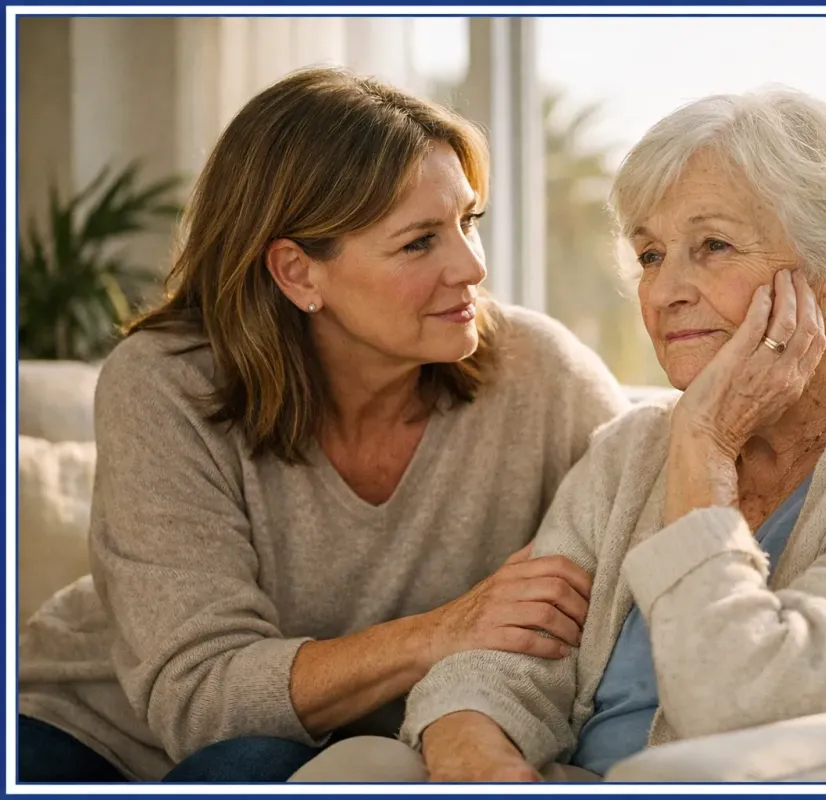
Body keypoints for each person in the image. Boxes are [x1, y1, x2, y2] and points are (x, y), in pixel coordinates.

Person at [288, 86, 826, 784]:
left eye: (712, 246)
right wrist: (473, 748)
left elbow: (745, 707)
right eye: (650, 255)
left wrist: (706, 449)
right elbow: (498, 656)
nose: (665, 291)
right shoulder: (634, 449)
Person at [16, 66, 628, 783]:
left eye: (468, 222)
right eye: (419, 242)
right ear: (299, 273)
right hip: (93, 734)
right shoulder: (166, 383)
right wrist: (442, 630)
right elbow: (200, 697)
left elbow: (641, 541)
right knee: (248, 761)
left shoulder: (543, 376)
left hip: (320, 756)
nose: (470, 267)